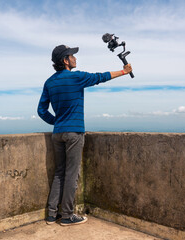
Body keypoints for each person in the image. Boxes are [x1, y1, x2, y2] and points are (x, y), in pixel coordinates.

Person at [37, 44, 132, 226]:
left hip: (58, 134)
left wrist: (56, 122)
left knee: (59, 173)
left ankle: (51, 214)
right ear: (65, 60)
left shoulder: (49, 82)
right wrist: (124, 71)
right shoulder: (77, 77)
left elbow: (41, 110)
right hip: (74, 133)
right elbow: (100, 77)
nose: (75, 58)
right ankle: (66, 216)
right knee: (72, 174)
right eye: (72, 55)